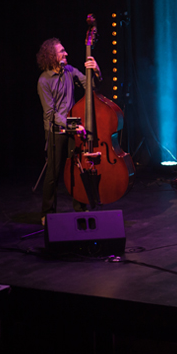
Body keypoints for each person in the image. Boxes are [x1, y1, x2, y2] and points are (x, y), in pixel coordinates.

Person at [37, 38, 102, 224]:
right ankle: (47, 212)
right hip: (55, 131)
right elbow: (50, 114)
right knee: (54, 172)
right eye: (61, 51)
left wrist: (95, 70)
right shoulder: (44, 80)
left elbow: (91, 85)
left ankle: (80, 207)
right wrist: (73, 126)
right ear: (51, 56)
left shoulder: (70, 70)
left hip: (73, 130)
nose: (66, 53)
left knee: (77, 168)